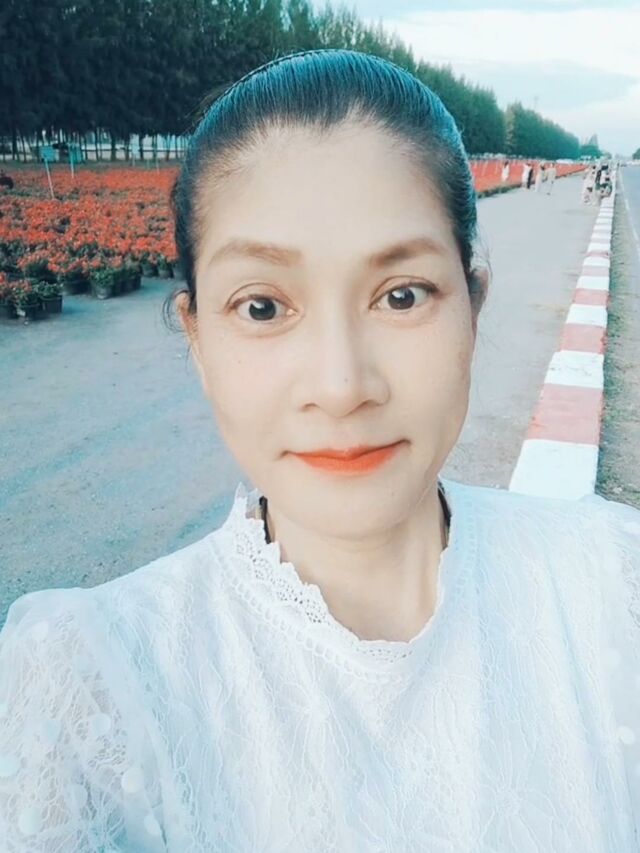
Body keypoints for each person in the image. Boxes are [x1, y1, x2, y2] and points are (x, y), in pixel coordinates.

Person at [1, 49, 639, 852]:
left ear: (473, 306)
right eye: (263, 307)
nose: (341, 387)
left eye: (401, 295)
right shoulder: (89, 694)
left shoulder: (612, 591)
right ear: (197, 338)